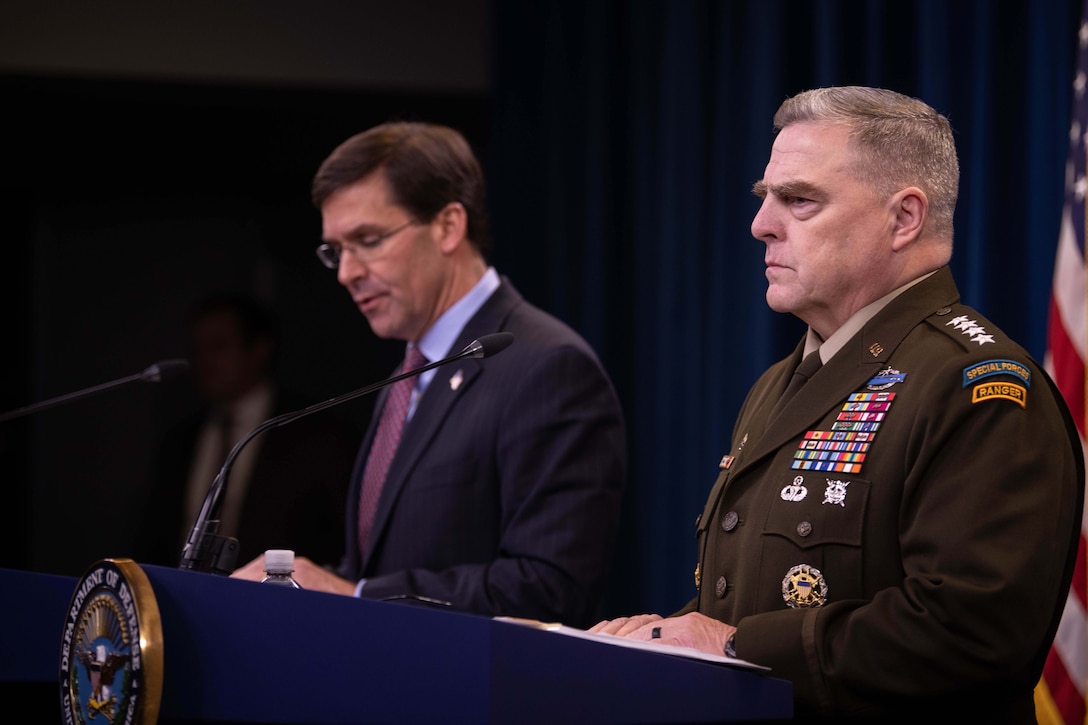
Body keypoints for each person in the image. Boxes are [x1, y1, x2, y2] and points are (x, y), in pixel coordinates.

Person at [590, 86, 1084, 721]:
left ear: (904, 219)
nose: (761, 224)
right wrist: (659, 640)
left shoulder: (978, 387)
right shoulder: (781, 381)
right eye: (764, 198)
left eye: (799, 200)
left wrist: (735, 645)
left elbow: (970, 636)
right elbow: (754, 599)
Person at [231, 121, 627, 629]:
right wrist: (300, 586)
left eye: (367, 240)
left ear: (447, 226)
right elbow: (384, 566)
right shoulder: (409, 373)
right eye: (336, 251)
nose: (348, 271)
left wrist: (356, 594)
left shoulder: (550, 368)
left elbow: (550, 589)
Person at [137, 293, 359, 567]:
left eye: (218, 347)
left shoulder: (316, 434)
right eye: (197, 349)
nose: (205, 361)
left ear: (259, 350)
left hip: (279, 601)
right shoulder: (180, 440)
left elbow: (339, 541)